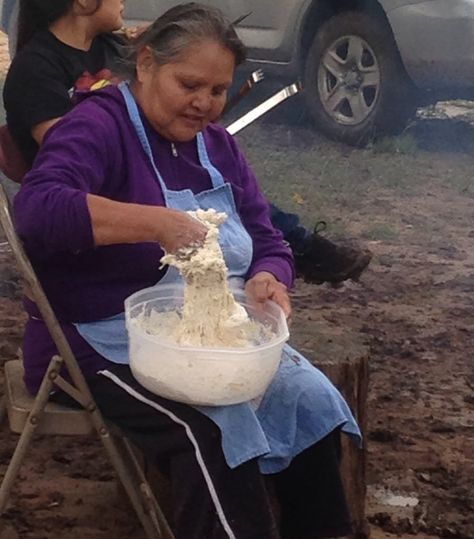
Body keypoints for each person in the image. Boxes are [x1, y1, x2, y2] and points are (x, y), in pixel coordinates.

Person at [13, 3, 361, 538]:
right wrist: (152, 222)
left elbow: (267, 235)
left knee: (308, 400)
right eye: (190, 84)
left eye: (218, 90)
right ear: (147, 63)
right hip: (97, 341)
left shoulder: (216, 146)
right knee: (211, 428)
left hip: (206, 340)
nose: (205, 103)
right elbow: (38, 210)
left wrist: (272, 276)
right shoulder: (98, 125)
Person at [2, 0, 372, 287]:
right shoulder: (36, 69)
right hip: (105, 191)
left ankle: (291, 247)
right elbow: (68, 149)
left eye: (216, 90)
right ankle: (300, 245)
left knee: (231, 192)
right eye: (191, 86)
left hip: (156, 165)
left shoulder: (111, 49)